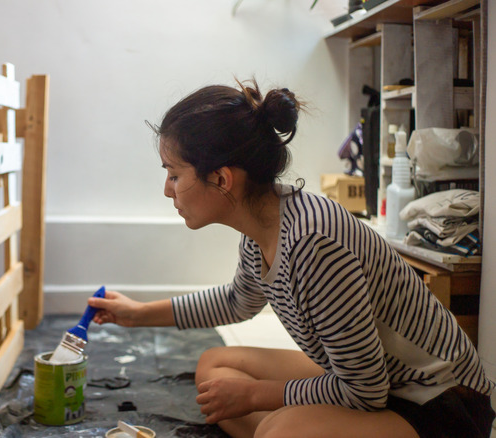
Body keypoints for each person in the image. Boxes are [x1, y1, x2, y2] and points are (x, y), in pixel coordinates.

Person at [88, 80, 495, 438]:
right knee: (217, 367)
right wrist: (137, 313)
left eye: (174, 174)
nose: (167, 189)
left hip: (439, 403)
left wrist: (257, 396)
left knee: (278, 427)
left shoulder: (314, 245)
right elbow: (235, 302)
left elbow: (365, 391)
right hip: (377, 383)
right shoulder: (262, 228)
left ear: (222, 178)